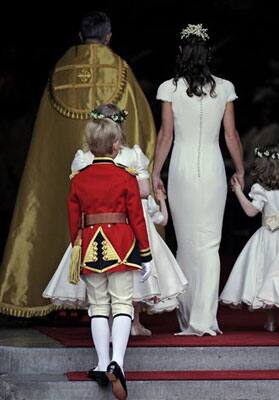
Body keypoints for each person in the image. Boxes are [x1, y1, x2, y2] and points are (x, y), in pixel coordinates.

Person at [0, 11, 156, 318]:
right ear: (108, 37)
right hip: (112, 178)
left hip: (68, 170)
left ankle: (58, 300)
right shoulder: (120, 70)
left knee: (58, 212)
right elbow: (143, 124)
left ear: (81, 36)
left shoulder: (61, 70)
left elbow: (45, 132)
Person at [43, 104, 187, 336]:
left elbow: (143, 189)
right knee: (126, 272)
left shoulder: (128, 154)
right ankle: (127, 322)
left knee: (124, 273)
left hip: (119, 216)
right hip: (119, 217)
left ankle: (129, 321)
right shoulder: (86, 158)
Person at [152, 24, 244, 336]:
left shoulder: (169, 88)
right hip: (214, 167)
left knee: (187, 244)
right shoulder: (225, 87)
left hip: (181, 168)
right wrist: (241, 170)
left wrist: (154, 172)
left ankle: (188, 316)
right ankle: (205, 319)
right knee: (209, 245)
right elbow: (231, 135)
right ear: (208, 55)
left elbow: (166, 135)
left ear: (181, 53)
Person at [68, 115, 153, 399]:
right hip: (122, 244)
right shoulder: (125, 176)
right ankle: (118, 362)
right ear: (115, 146)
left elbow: (73, 219)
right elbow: (137, 218)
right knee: (122, 304)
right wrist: (147, 254)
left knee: (98, 307)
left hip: (91, 245)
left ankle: (103, 362)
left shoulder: (79, 179)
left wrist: (76, 249)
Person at [220, 143, 279, 331]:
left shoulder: (261, 189)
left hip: (269, 236)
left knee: (266, 275)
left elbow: (250, 211)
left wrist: (238, 191)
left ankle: (270, 320)